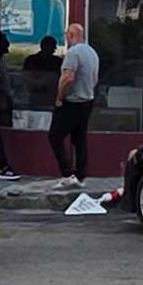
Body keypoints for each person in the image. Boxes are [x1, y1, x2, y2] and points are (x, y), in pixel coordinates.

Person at [53, 22, 102, 184]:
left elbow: (68, 77)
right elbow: (95, 78)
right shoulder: (92, 52)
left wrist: (59, 97)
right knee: (79, 139)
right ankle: (81, 175)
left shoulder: (73, 53)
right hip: (87, 101)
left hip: (72, 102)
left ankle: (67, 174)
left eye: (66, 34)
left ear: (71, 35)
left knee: (55, 136)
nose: (65, 37)